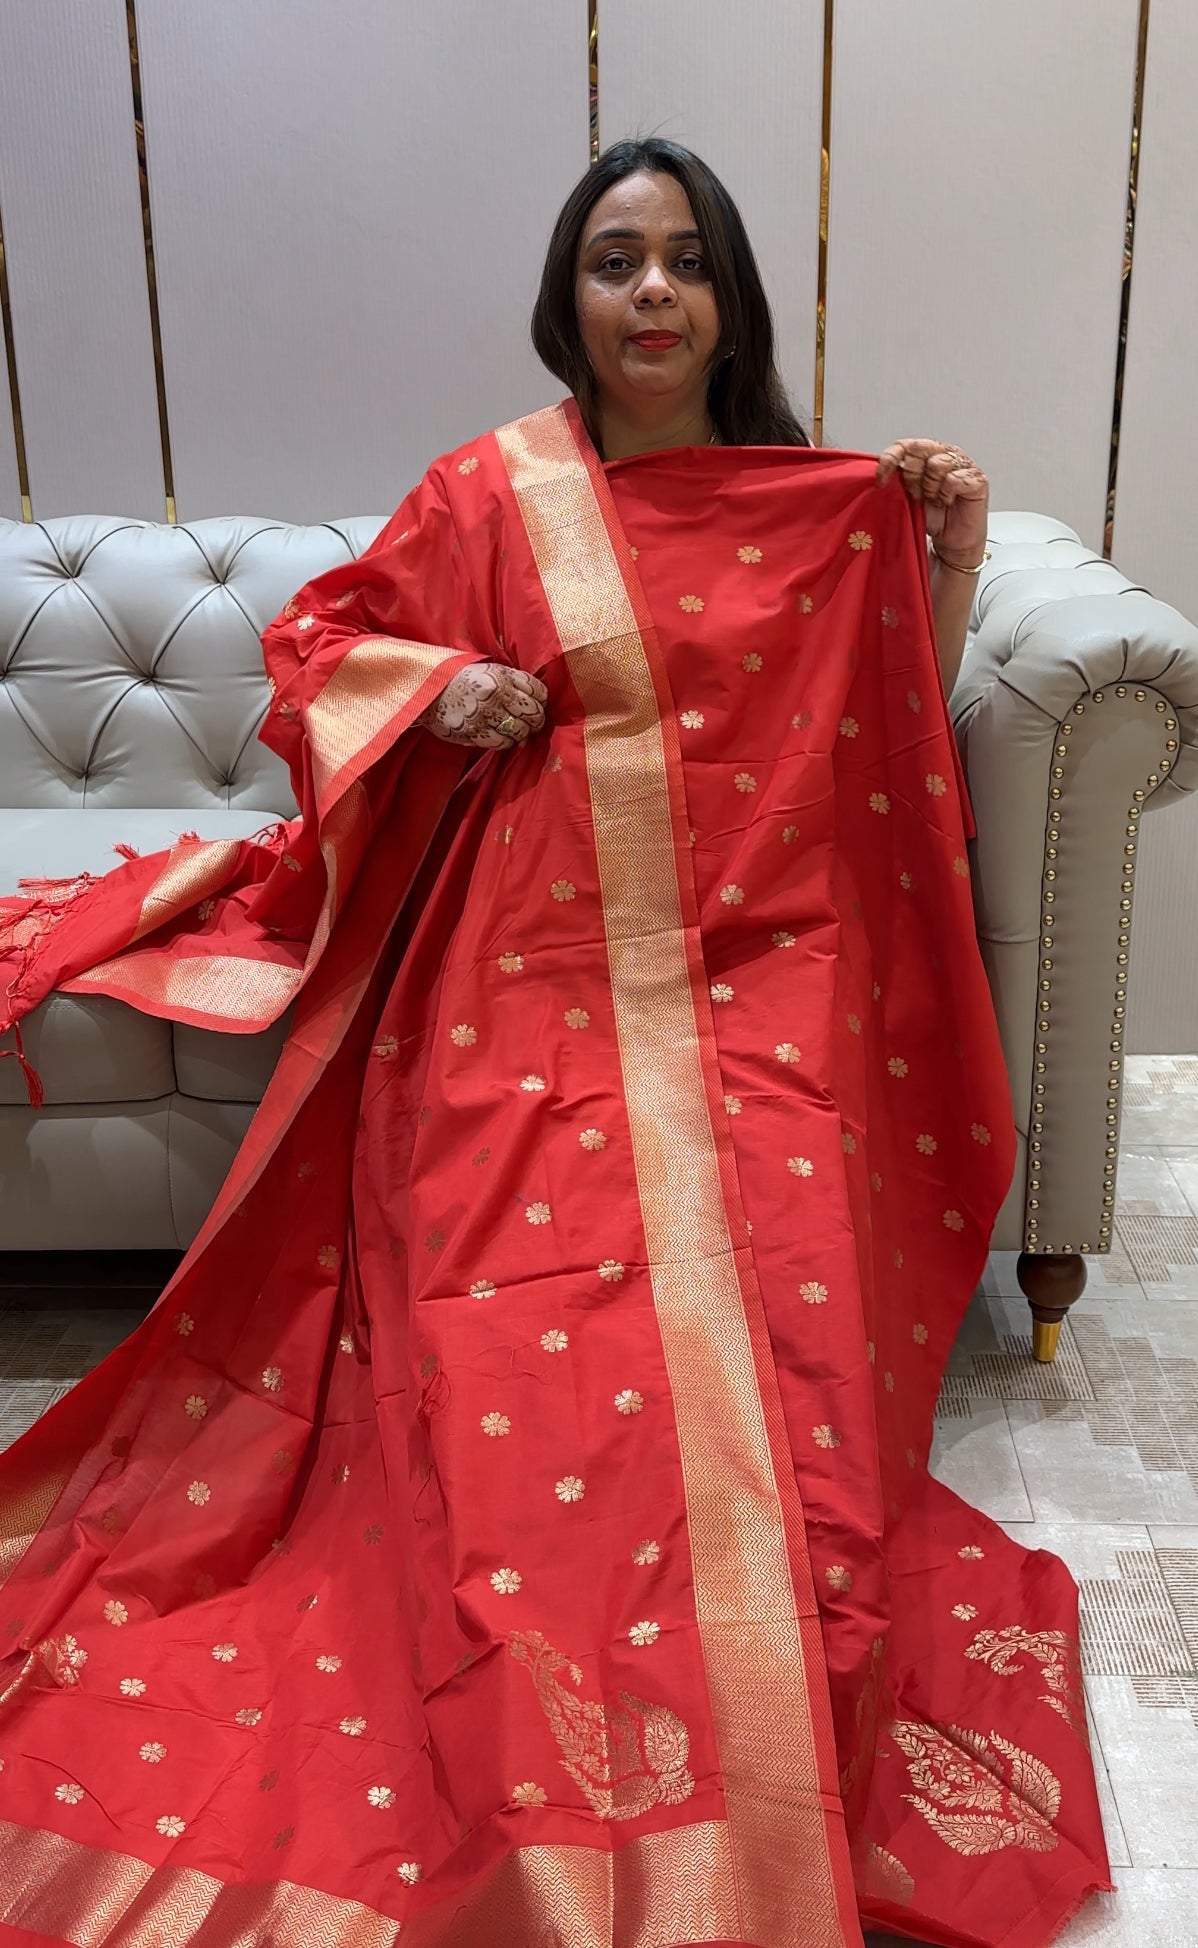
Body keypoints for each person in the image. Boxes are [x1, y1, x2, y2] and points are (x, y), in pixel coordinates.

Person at [0, 140, 1109, 1948]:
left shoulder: (810, 505)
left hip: (766, 968)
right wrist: (442, 686)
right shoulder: (489, 493)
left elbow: (888, 725)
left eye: (685, 260)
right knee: (526, 1337)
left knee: (789, 1357)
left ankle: (758, 1720)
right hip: (524, 967)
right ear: (566, 297)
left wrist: (952, 551)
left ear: (730, 298)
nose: (652, 291)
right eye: (615, 259)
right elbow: (316, 644)